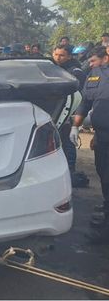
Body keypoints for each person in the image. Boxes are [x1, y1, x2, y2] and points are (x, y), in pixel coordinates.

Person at [69, 46, 109, 243]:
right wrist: (76, 127)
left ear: (105, 57)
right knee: (104, 176)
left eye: (93, 61)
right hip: (102, 136)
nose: (89, 64)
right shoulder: (94, 75)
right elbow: (86, 102)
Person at [53, 44, 87, 187]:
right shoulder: (52, 69)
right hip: (54, 112)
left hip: (68, 113)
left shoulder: (75, 71)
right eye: (56, 54)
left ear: (69, 56)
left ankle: (70, 173)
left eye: (61, 55)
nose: (58, 58)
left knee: (67, 144)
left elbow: (79, 96)